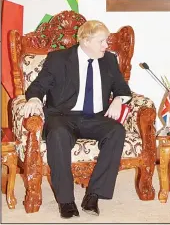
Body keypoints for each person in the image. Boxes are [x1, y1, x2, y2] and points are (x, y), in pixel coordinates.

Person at [23, 20, 132, 219]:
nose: (106, 45)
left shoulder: (108, 60)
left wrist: (118, 99)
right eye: (102, 41)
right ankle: (66, 201)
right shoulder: (59, 59)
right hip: (63, 116)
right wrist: (34, 99)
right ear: (86, 41)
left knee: (117, 131)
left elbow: (122, 87)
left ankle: (93, 195)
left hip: (96, 117)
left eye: (106, 41)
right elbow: (38, 85)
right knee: (57, 134)